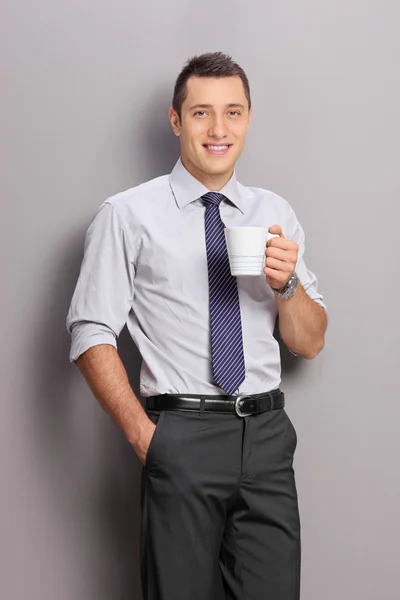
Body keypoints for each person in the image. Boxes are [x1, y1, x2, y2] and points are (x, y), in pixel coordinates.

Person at [66, 51, 327, 600]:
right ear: (176, 121)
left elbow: (309, 342)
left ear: (249, 119)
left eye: (233, 112)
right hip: (180, 435)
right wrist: (147, 439)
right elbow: (90, 330)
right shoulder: (128, 214)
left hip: (267, 439)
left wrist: (287, 286)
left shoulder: (273, 211)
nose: (218, 129)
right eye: (202, 112)